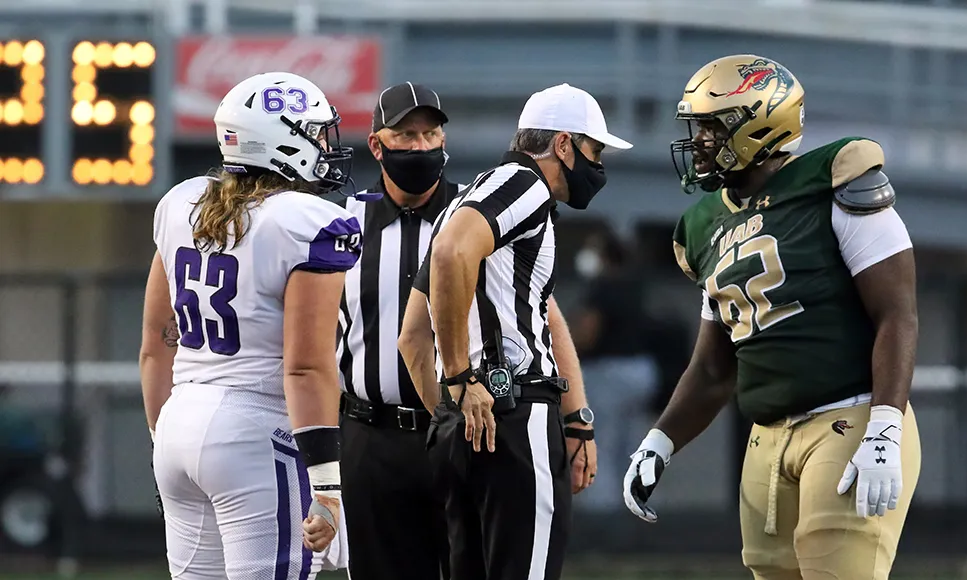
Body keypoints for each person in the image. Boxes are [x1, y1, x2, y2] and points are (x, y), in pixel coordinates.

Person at [622, 54, 921, 580]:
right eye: (698, 127)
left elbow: (897, 316)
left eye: (713, 126)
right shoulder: (703, 224)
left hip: (847, 419)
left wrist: (885, 427)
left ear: (761, 121)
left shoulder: (836, 181)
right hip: (766, 436)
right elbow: (715, 365)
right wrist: (660, 441)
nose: (700, 142)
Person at [398, 83, 629, 580]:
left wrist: (452, 411)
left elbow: (412, 339)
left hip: (467, 425)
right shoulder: (523, 185)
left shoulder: (471, 196)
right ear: (563, 145)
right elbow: (450, 255)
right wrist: (462, 379)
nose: (599, 165)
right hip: (515, 414)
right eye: (595, 150)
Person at [140, 71, 362, 579]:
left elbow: (156, 343)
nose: (326, 147)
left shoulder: (183, 204)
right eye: (315, 134)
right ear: (283, 140)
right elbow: (307, 366)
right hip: (257, 430)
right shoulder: (304, 220)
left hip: (178, 420)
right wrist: (327, 485)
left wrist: (165, 441)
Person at [335, 81, 459, 580]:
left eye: (430, 134)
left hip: (457, 432)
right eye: (405, 134)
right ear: (376, 144)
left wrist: (577, 417)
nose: (420, 146)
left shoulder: (472, 215)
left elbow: (543, 313)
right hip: (370, 436)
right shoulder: (341, 222)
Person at [570, 231, 659, 511]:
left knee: (601, 447)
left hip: (609, 372)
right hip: (641, 370)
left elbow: (587, 333)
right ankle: (638, 509)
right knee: (631, 446)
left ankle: (603, 517)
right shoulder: (636, 286)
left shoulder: (601, 286)